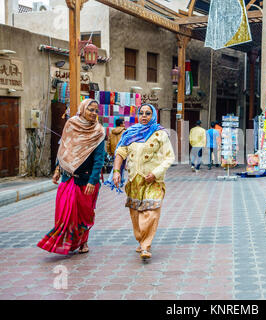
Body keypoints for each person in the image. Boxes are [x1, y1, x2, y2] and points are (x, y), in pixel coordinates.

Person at [37, 99, 105, 255]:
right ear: (82, 109)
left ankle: (83, 242)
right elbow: (64, 148)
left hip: (86, 180)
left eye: (96, 111)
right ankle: (65, 242)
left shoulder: (98, 131)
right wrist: (57, 169)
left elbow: (99, 159)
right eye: (91, 110)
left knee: (85, 215)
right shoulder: (71, 125)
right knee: (64, 214)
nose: (94, 113)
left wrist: (93, 181)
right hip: (68, 179)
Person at [109, 104, 175, 260]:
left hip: (153, 180)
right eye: (141, 113)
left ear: (153, 116)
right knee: (136, 213)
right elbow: (120, 152)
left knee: (151, 211)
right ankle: (141, 239)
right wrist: (117, 171)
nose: (144, 116)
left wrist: (156, 173)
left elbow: (169, 157)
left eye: (148, 113)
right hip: (134, 180)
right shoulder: (130, 133)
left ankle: (146, 245)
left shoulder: (160, 134)